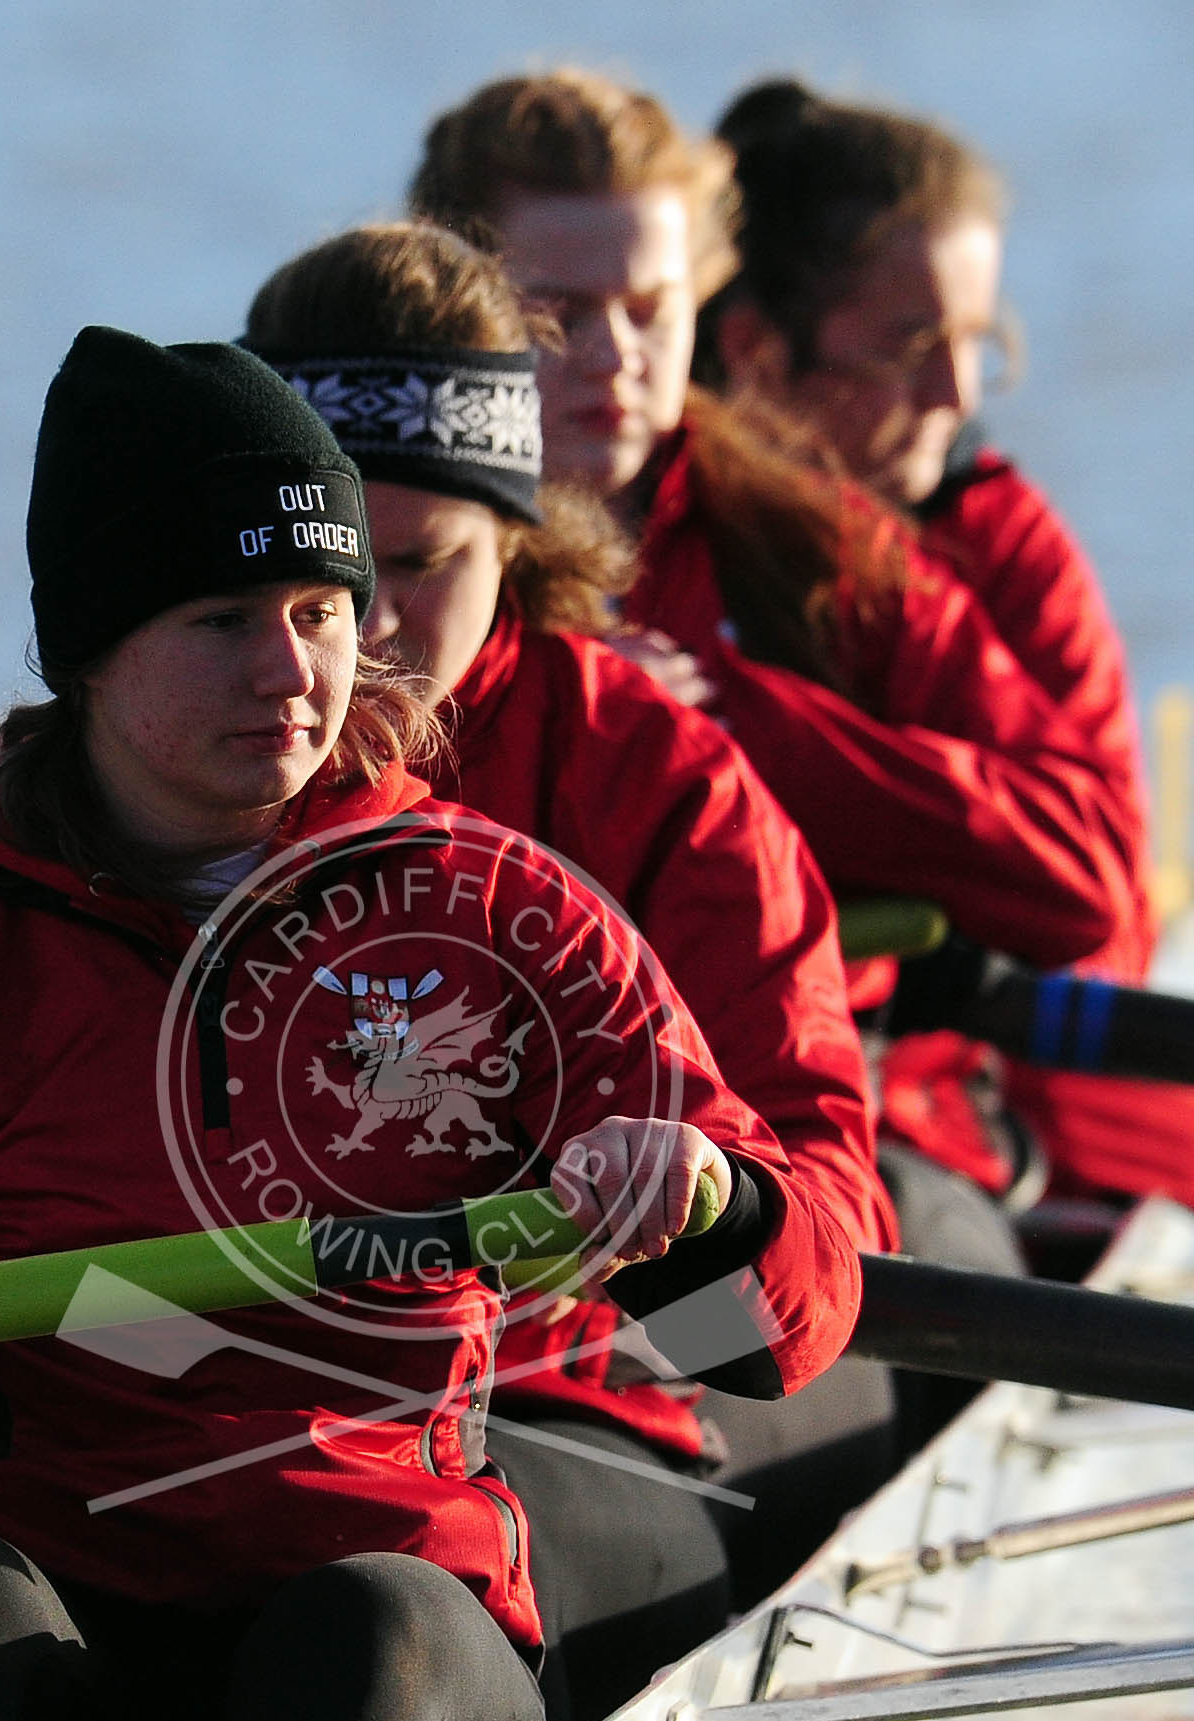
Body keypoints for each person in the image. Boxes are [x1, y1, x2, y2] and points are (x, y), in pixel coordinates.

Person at [0, 330, 860, 1721]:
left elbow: (763, 1348)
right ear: (87, 647)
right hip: (55, 1648)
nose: (291, 674)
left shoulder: (506, 924)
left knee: (355, 1628)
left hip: (398, 1663)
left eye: (317, 613)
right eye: (221, 622)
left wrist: (704, 1210)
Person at [242, 220, 897, 1721]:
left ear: (523, 543)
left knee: (350, 1582)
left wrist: (700, 1204)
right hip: (226, 1417)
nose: (363, 636)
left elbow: (804, 1280)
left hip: (580, 1415)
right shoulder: (164, 770)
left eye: (423, 567)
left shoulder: (669, 785)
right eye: (319, 572)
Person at [406, 69, 1145, 1295]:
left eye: (650, 309)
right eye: (560, 315)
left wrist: (721, 724)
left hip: (798, 1174)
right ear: (456, 313)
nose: (615, 359)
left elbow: (1084, 874)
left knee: (682, 1340)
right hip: (458, 1174)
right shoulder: (338, 586)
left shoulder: (820, 545)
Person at [696, 75, 1194, 1218]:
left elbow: (1099, 911)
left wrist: (759, 739)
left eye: (973, 339)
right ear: (754, 350)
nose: (956, 390)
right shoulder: (648, 527)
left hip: (919, 1101)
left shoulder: (991, 536)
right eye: (908, 345)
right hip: (667, 1126)